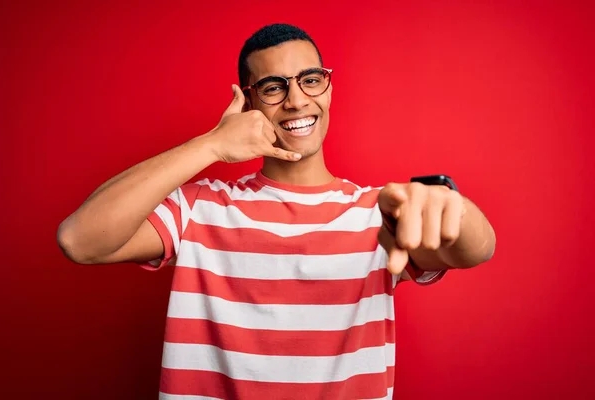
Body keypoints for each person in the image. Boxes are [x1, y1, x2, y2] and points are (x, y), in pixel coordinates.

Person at [57, 23, 496, 400]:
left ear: (328, 88)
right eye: (273, 87)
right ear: (248, 104)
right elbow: (80, 240)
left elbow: (475, 250)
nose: (296, 100)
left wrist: (452, 210)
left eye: (310, 80)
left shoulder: (375, 211)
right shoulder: (199, 208)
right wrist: (209, 144)